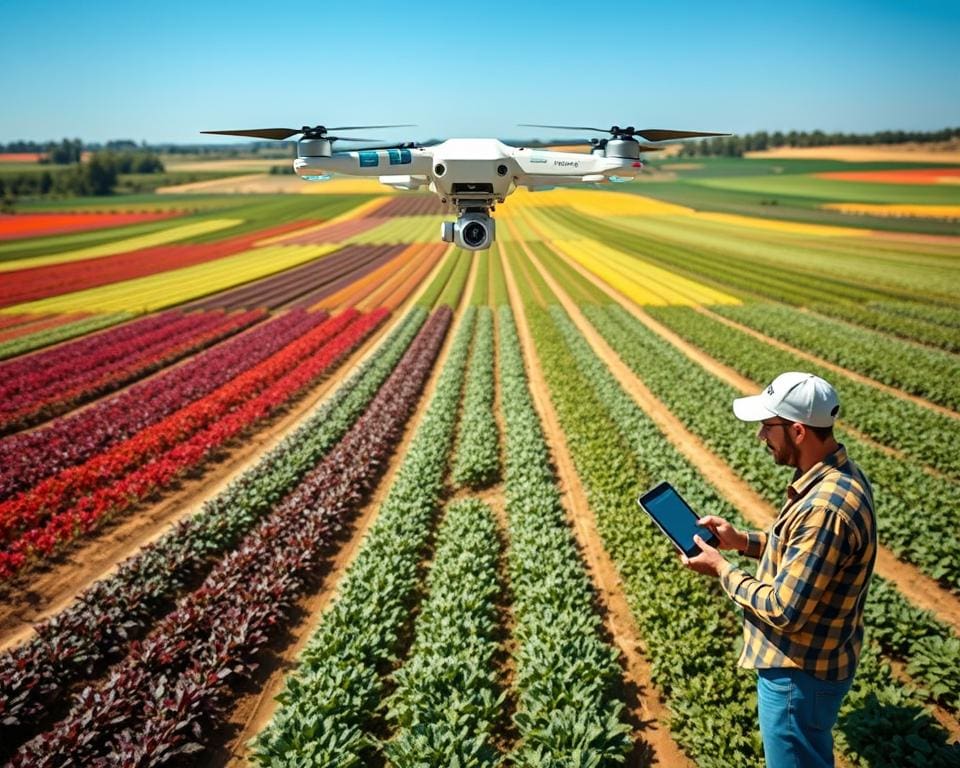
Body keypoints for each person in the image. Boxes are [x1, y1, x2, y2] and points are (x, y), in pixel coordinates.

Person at [681, 371, 876, 768]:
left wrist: (722, 568)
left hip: (798, 674)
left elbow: (784, 608)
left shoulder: (824, 509)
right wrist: (741, 541)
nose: (761, 437)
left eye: (768, 427)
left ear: (799, 431)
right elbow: (806, 559)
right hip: (817, 663)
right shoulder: (841, 478)